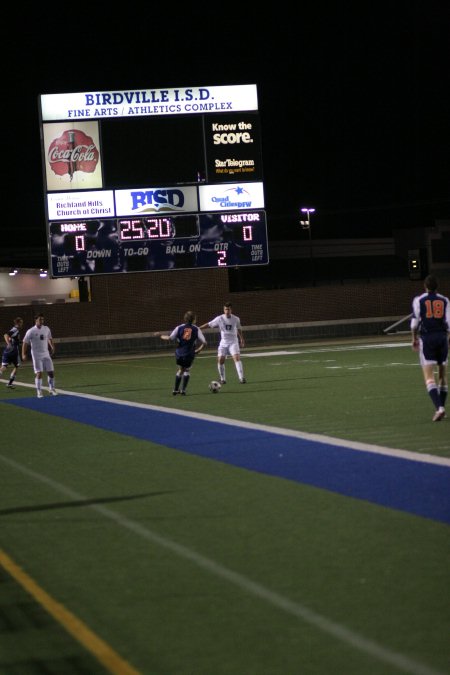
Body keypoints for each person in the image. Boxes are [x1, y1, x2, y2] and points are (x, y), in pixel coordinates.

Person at [411, 274, 450, 422]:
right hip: (442, 338)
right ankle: (442, 408)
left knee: (428, 376)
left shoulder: (419, 300)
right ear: (437, 286)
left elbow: (415, 323)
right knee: (442, 375)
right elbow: (449, 322)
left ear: (425, 286)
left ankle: (439, 408)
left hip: (427, 339)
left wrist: (414, 338)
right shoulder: (445, 300)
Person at [160, 310, 206, 395]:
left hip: (179, 353)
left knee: (181, 369)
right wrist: (199, 350)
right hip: (189, 354)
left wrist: (161, 336)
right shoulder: (196, 329)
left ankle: (175, 389)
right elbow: (204, 342)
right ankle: (183, 390)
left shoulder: (179, 327)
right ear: (193, 320)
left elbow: (170, 338)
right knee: (187, 370)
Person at [200, 302, 246, 384]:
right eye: (225, 309)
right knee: (220, 360)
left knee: (237, 358)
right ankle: (222, 379)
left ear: (231, 310)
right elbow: (209, 324)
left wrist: (241, 338)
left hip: (233, 342)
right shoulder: (219, 318)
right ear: (223, 310)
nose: (227, 311)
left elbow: (238, 328)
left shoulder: (236, 319)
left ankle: (241, 378)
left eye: (228, 309)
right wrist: (198, 328)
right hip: (223, 342)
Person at [22, 314, 58, 398]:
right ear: (36, 320)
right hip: (36, 355)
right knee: (39, 373)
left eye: (42, 320)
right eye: (40, 320)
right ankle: (39, 391)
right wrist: (23, 354)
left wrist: (52, 346)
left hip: (46, 353)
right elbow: (25, 342)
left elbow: (49, 338)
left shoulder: (46, 329)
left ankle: (52, 389)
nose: (42, 321)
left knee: (51, 372)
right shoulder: (31, 331)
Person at [0, 317, 24, 389]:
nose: (22, 324)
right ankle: (10, 383)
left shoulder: (14, 330)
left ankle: (10, 384)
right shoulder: (15, 329)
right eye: (21, 322)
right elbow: (6, 335)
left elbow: (13, 339)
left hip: (7, 351)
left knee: (4, 367)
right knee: (17, 366)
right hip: (13, 351)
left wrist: (20, 342)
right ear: (18, 323)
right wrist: (9, 344)